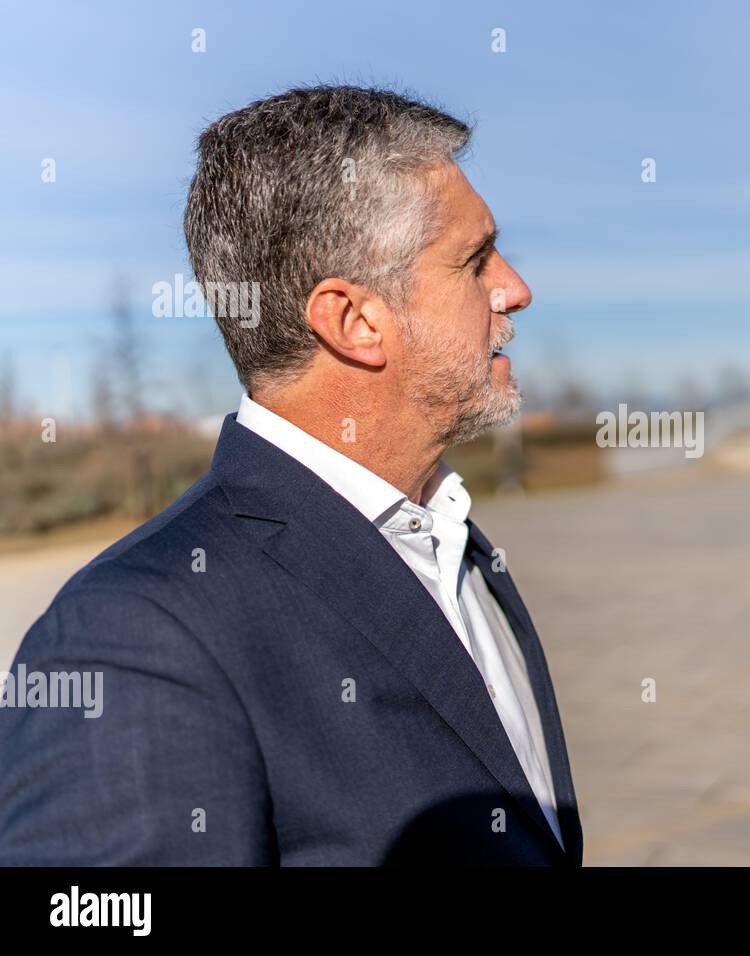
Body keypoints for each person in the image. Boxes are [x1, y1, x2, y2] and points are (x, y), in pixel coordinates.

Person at [0, 86, 581, 866]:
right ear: (355, 321)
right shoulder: (134, 638)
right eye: (474, 260)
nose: (514, 288)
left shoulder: (453, 541)